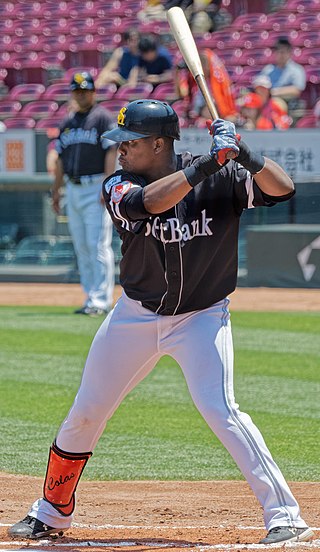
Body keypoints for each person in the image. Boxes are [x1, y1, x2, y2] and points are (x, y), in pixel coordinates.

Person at [9, 100, 313, 546]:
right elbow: (148, 204)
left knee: (220, 409)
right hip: (136, 314)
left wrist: (244, 155)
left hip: (202, 316)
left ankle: (285, 516)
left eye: (129, 142)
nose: (121, 151)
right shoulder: (119, 183)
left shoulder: (222, 176)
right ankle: (51, 511)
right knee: (86, 411)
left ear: (158, 143)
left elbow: (283, 189)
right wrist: (209, 164)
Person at [51, 71, 117, 316]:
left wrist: (107, 184)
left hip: (95, 186)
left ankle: (102, 300)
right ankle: (90, 297)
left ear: (93, 92)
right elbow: (59, 159)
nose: (81, 94)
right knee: (82, 246)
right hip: (73, 188)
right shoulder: (67, 123)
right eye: (77, 91)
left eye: (85, 90)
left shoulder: (102, 118)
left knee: (97, 244)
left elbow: (111, 152)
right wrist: (56, 191)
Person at [175, 49, 237, 123]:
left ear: (207, 66)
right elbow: (182, 94)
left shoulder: (216, 82)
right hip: (197, 113)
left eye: (203, 65)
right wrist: (177, 75)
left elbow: (221, 105)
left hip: (214, 114)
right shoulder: (194, 78)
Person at [259, 37, 306, 114]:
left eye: (284, 52)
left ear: (290, 53)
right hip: (267, 100)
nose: (281, 55)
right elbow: (259, 84)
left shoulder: (297, 70)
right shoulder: (268, 69)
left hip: (288, 102)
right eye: (279, 52)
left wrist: (273, 92)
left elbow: (296, 90)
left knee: (275, 103)